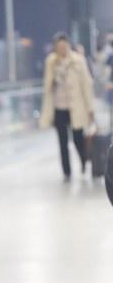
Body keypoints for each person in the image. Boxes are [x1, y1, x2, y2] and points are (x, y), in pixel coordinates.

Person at [39, 31, 95, 181]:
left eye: (64, 46)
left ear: (69, 45)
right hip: (59, 108)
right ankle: (67, 172)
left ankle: (83, 160)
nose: (62, 49)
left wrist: (90, 108)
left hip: (75, 107)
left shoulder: (78, 61)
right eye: (59, 47)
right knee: (62, 142)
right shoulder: (51, 62)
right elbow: (47, 86)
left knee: (78, 139)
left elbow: (86, 85)